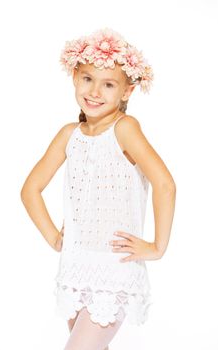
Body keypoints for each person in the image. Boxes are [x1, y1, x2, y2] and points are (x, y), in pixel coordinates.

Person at [20, 27, 176, 350]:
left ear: (127, 92)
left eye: (108, 84)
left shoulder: (125, 129)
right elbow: (30, 189)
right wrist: (54, 237)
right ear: (75, 76)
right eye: (88, 79)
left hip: (113, 271)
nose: (94, 91)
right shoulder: (69, 135)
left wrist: (157, 246)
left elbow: (165, 183)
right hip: (76, 268)